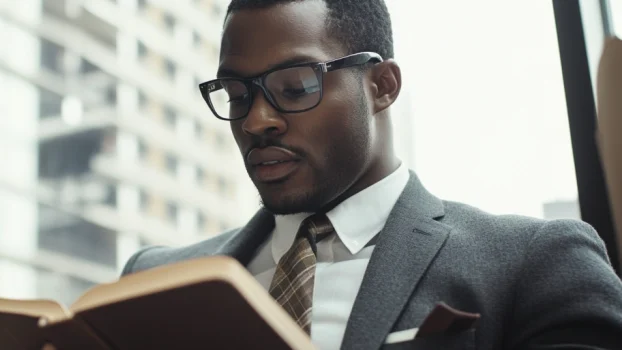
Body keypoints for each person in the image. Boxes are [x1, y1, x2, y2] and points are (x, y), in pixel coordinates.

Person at [122, 0, 622, 349]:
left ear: (382, 85)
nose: (255, 121)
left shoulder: (536, 265)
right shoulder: (151, 281)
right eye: (235, 96)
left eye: (295, 88)